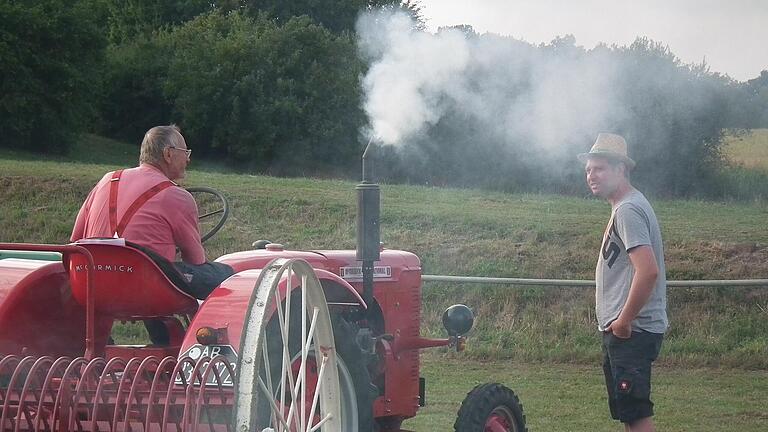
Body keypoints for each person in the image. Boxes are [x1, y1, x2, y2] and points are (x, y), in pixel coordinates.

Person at [71, 125, 234, 340]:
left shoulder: (106, 180)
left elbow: (76, 239)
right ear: (168, 154)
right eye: (185, 153)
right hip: (145, 289)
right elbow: (195, 259)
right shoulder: (176, 196)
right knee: (225, 276)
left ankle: (123, 345)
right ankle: (209, 343)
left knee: (154, 270)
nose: (188, 160)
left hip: (91, 285)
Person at [578, 133, 668, 432]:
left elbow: (648, 271)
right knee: (629, 414)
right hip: (627, 330)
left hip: (633, 330)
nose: (592, 175)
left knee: (637, 414)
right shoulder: (624, 206)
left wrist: (624, 321)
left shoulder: (628, 209)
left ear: (621, 169)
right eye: (589, 169)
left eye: (600, 168)